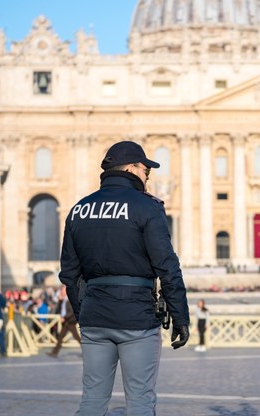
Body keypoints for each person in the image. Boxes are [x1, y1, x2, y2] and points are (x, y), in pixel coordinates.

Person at [59, 140, 190, 415]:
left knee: (92, 401)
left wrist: (85, 313)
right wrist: (180, 317)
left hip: (95, 317)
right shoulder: (147, 207)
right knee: (140, 400)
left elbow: (69, 275)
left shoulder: (78, 209)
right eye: (146, 171)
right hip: (137, 318)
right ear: (131, 168)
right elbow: (167, 266)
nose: (147, 177)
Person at [46, 286, 81, 358]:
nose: (61, 292)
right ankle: (54, 352)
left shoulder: (70, 299)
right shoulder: (64, 299)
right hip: (66, 321)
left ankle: (54, 352)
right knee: (61, 337)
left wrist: (64, 317)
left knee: (76, 337)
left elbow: (71, 311)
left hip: (70, 321)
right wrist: (60, 301)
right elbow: (59, 310)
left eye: (62, 290)